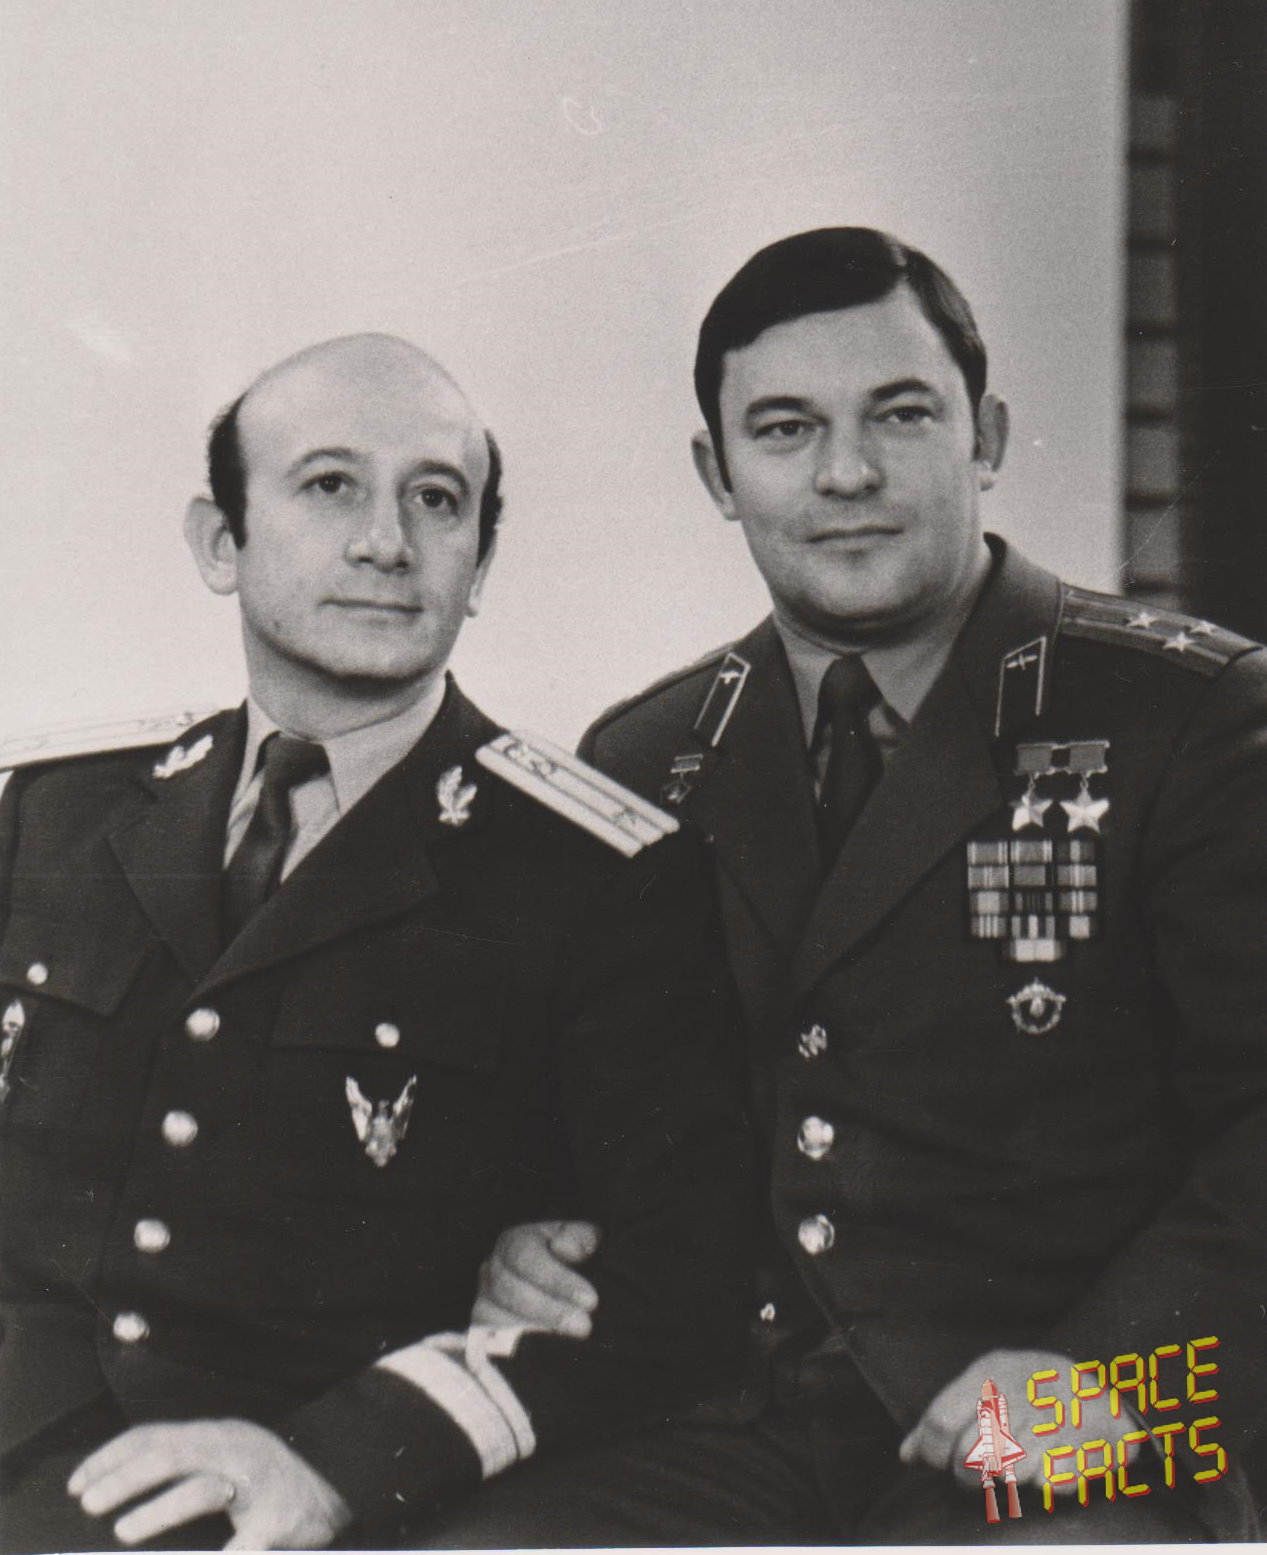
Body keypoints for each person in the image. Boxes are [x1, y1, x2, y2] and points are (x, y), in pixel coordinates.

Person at [453, 228, 1267, 1543]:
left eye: (899, 413)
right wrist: (522, 1240)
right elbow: (606, 1114)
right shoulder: (649, 755)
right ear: (717, 475)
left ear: (984, 436)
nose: (846, 472)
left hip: (1047, 1421)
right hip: (730, 1424)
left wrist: (1122, 1375)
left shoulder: (1188, 715)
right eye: (784, 430)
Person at [0, 334, 753, 1552]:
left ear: (480, 562)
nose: (387, 543)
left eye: (436, 500)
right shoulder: (56, 812)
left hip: (294, 1490)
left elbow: (680, 1276)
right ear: (220, 540)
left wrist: (345, 1461)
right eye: (329, 485)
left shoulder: (599, 871)